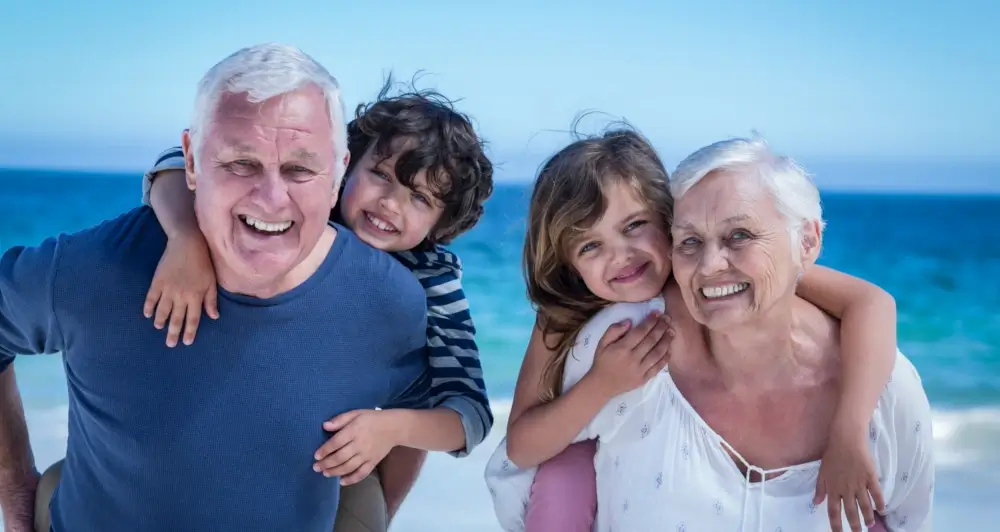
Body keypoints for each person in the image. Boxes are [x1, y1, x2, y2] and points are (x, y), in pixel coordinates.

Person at [0, 43, 432, 532]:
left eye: (299, 170)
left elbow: (420, 408)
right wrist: (15, 486)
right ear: (190, 161)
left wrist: (375, 518)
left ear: (336, 176)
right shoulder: (95, 269)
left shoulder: (388, 302)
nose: (271, 199)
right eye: (240, 164)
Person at [485, 131, 919, 532]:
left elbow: (872, 303)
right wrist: (602, 384)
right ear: (569, 264)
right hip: (568, 441)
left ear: (667, 219)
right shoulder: (561, 316)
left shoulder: (714, 272)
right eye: (590, 246)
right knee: (566, 469)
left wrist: (848, 430)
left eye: (634, 226)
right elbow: (521, 447)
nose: (621, 256)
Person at [135, 77, 495, 527]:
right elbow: (176, 161)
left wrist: (392, 428)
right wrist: (185, 237)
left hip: (337, 455)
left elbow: (470, 414)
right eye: (380, 175)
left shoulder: (431, 280)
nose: (389, 204)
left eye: (419, 197)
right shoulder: (303, 208)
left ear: (443, 222)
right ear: (344, 165)